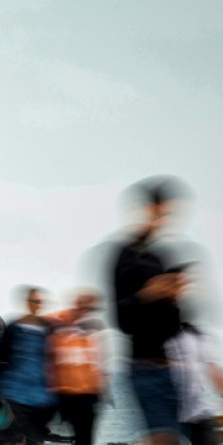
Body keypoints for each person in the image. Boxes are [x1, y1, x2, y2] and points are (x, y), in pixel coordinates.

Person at [111, 177, 189, 445]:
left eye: (166, 214)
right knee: (164, 439)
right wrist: (147, 295)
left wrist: (174, 299)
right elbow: (119, 319)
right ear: (145, 209)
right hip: (142, 367)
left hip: (171, 369)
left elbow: (173, 327)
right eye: (159, 212)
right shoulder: (122, 255)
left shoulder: (160, 258)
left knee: (170, 439)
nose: (162, 220)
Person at [0, 287, 57, 445]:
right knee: (27, 436)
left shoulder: (47, 328)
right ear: (27, 303)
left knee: (33, 436)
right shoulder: (14, 328)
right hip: (16, 391)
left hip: (41, 394)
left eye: (39, 301)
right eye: (34, 301)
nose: (37, 304)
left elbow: (53, 358)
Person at [45, 291, 106, 445]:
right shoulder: (58, 322)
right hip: (65, 394)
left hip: (88, 395)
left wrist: (99, 388)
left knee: (85, 438)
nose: (89, 313)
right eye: (87, 308)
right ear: (78, 306)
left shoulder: (89, 331)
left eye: (92, 309)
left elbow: (94, 363)